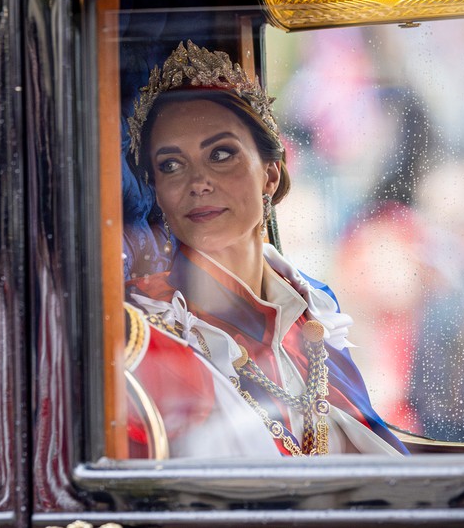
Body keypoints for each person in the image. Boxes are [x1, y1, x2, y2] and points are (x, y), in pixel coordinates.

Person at [123, 41, 409, 458]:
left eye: (221, 154)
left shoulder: (313, 310)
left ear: (270, 175)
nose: (198, 181)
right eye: (171, 165)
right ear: (158, 193)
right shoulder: (148, 327)